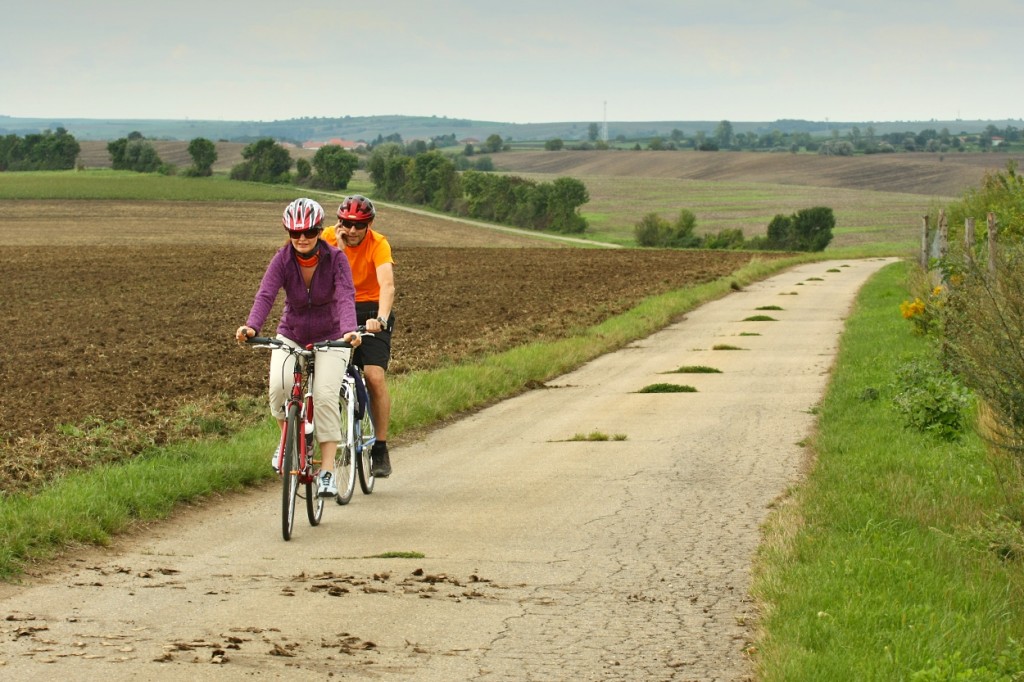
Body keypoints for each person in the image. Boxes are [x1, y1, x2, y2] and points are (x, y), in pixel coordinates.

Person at [235, 198, 361, 498]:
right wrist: (252, 326)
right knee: (279, 387)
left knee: (324, 397)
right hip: (291, 334)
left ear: (319, 231)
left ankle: (328, 471)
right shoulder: (282, 260)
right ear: (288, 233)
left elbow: (345, 295)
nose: (302, 238)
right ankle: (287, 440)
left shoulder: (336, 259)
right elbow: (266, 294)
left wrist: (349, 331)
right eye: (295, 233)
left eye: (308, 231)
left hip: (332, 337)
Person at [322, 195, 395, 478]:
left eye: (359, 226)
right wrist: (338, 248)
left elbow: (386, 285)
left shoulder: (379, 244)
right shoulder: (327, 237)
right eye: (347, 224)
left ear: (369, 225)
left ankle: (380, 446)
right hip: (337, 308)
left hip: (370, 311)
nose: (351, 231)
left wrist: (382, 318)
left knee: (374, 376)